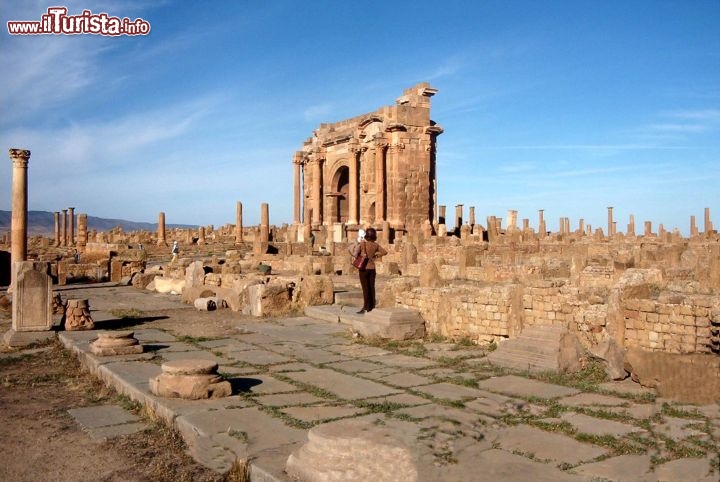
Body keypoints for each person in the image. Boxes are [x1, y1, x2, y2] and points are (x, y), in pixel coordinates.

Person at [353, 227, 387, 314]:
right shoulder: (375, 245)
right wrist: (376, 255)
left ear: (366, 235)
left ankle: (365, 307)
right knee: (372, 287)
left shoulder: (362, 244)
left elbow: (355, 254)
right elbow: (384, 252)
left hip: (364, 268)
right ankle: (372, 306)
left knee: (365, 288)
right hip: (372, 269)